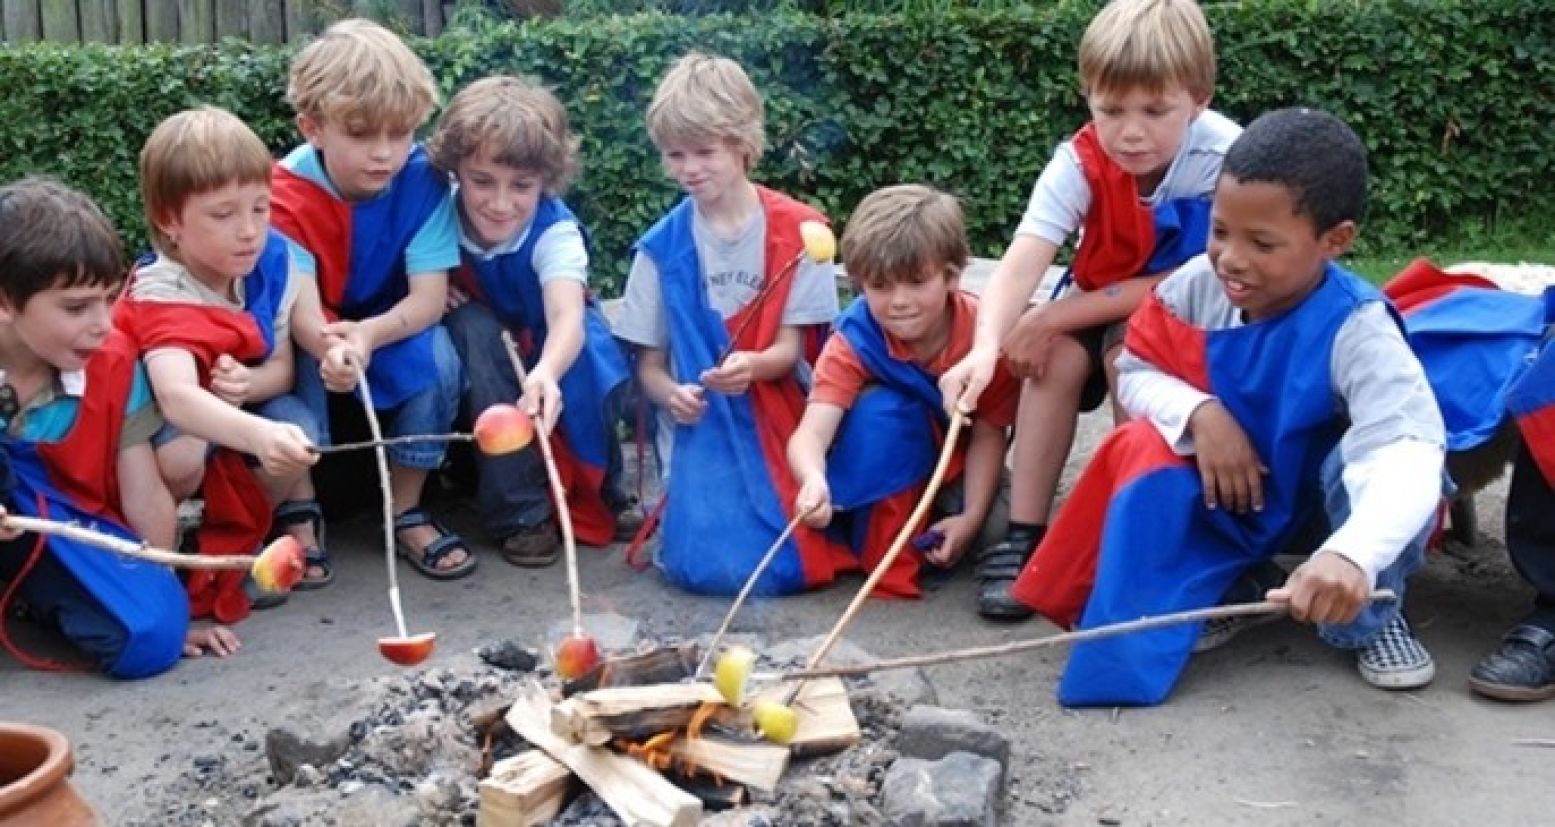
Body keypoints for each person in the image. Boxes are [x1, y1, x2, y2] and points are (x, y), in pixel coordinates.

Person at [1006, 108, 1445, 706]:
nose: (1230, 259)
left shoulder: (1357, 327)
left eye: (1262, 243)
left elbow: (1410, 452)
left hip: (1322, 510)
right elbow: (1135, 367)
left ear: (1334, 240)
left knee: (1375, 469)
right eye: (1219, 231)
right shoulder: (1196, 285)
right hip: (1239, 494)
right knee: (1143, 444)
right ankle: (1239, 581)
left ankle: (1369, 611)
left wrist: (1354, 553)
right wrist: (1199, 414)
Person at [938, 0, 1241, 619]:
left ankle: (1142, 530)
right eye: (1111, 110)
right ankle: (1026, 535)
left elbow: (1188, 277)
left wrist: (1050, 315)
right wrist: (987, 346)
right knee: (1045, 360)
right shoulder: (1077, 161)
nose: (1130, 131)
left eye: (1155, 111)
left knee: (1133, 362)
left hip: (1183, 308)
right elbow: (1023, 261)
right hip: (1096, 295)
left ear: (1199, 98)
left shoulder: (1228, 158)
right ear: (1088, 98)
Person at [615, 52, 846, 595]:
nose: (689, 168)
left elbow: (792, 351)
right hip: (701, 430)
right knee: (705, 569)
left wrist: (753, 364)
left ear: (744, 143)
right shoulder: (660, 249)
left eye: (704, 152)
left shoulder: (800, 233)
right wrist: (673, 395)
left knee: (785, 564)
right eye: (675, 154)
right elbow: (648, 366)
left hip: (780, 418)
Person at [0, 178, 237, 678]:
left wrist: (164, 595)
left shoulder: (111, 360)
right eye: (75, 307)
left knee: (152, 637)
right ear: (5, 302)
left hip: (58, 531)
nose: (104, 323)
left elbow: (144, 493)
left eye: (108, 299)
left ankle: (36, 597)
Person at [115, 107, 344, 614]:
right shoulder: (161, 288)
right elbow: (174, 396)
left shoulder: (273, 262)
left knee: (298, 433)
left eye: (261, 209)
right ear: (169, 220)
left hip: (231, 411)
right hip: (162, 425)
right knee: (181, 459)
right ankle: (184, 554)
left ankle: (240, 549)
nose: (248, 231)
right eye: (224, 215)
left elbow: (282, 370)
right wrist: (255, 432)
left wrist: (247, 385)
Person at [269, 18, 475, 580]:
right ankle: (299, 512)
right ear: (313, 127)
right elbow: (301, 312)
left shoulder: (423, 181)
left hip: (389, 322)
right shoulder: (286, 193)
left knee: (438, 357)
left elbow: (428, 299)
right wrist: (335, 346)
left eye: (400, 133)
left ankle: (404, 508)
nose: (384, 153)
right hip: (314, 327)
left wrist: (367, 336)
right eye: (361, 135)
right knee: (295, 364)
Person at [427, 76, 637, 566]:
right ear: (456, 171)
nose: (500, 204)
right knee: (476, 334)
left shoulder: (554, 230)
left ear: (545, 181)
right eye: (482, 181)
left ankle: (605, 486)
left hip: (549, 331)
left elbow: (566, 315)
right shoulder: (434, 212)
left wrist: (545, 371)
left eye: (521, 186)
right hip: (483, 340)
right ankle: (520, 512)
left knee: (590, 352)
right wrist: (431, 292)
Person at [788, 185, 1017, 597]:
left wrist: (971, 517)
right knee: (883, 412)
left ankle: (939, 523)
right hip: (878, 456)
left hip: (954, 462)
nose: (899, 302)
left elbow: (988, 433)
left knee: (997, 525)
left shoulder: (983, 337)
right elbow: (812, 433)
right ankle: (866, 524)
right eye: (880, 286)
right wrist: (812, 479)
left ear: (952, 276)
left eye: (915, 282)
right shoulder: (855, 338)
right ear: (859, 285)